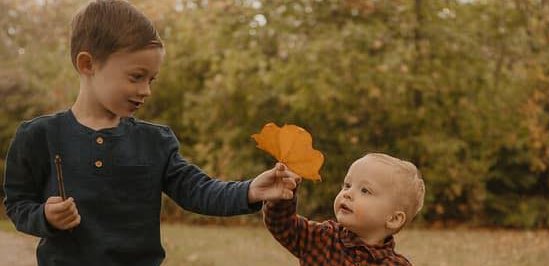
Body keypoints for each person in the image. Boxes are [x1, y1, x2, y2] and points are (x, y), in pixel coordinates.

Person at [3, 1, 297, 265]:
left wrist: (249, 191)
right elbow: (18, 204)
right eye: (136, 77)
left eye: (151, 79)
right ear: (88, 64)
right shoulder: (38, 136)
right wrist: (44, 217)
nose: (146, 90)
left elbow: (197, 190)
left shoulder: (155, 142)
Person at [265, 153, 426, 265]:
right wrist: (283, 196)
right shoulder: (322, 238)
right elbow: (282, 225)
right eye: (347, 185)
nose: (348, 193)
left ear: (393, 219)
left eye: (365, 190)